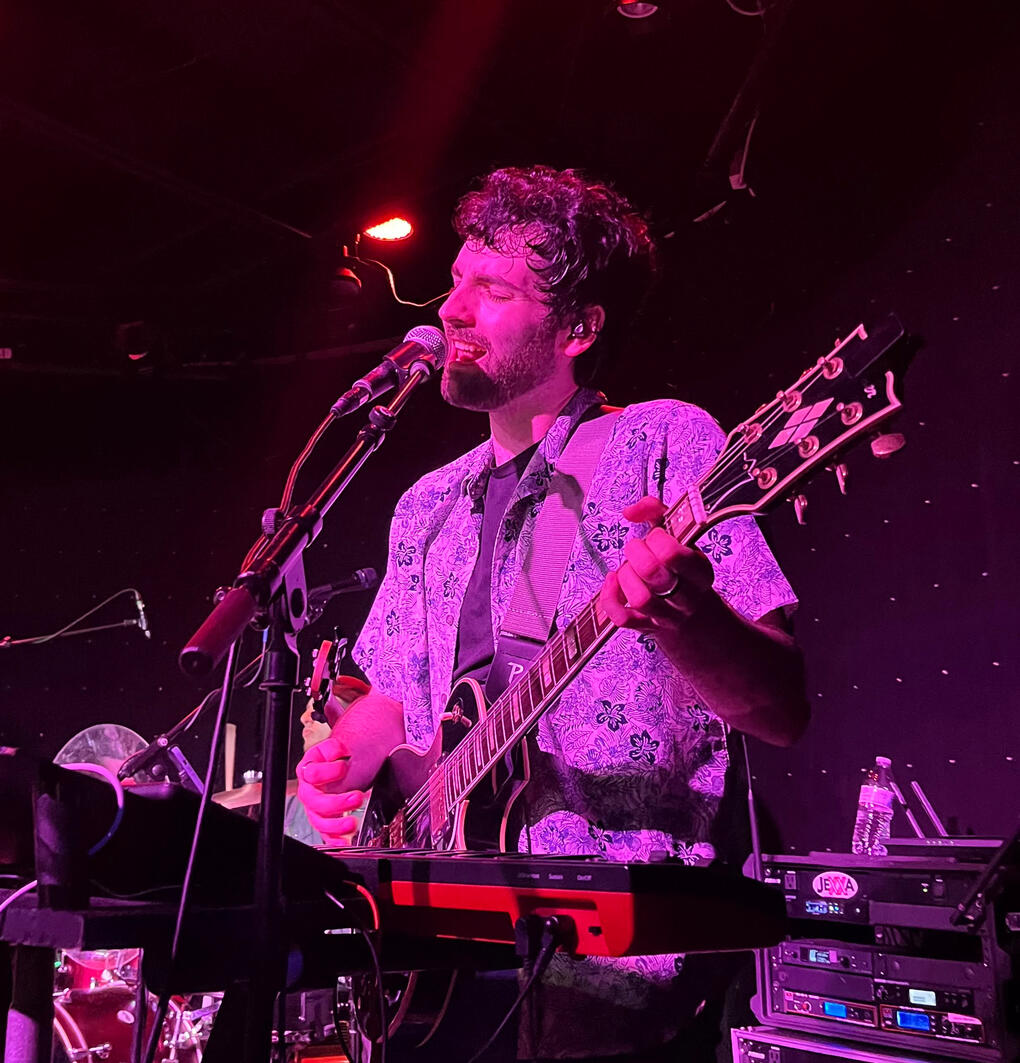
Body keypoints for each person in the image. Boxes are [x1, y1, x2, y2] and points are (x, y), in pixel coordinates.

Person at [298, 165, 809, 1061]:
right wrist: (347, 760)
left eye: (493, 290)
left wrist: (686, 614)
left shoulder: (664, 439)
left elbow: (782, 708)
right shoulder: (425, 504)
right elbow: (394, 697)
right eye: (456, 280)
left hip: (621, 957)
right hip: (442, 939)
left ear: (579, 328)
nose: (452, 309)